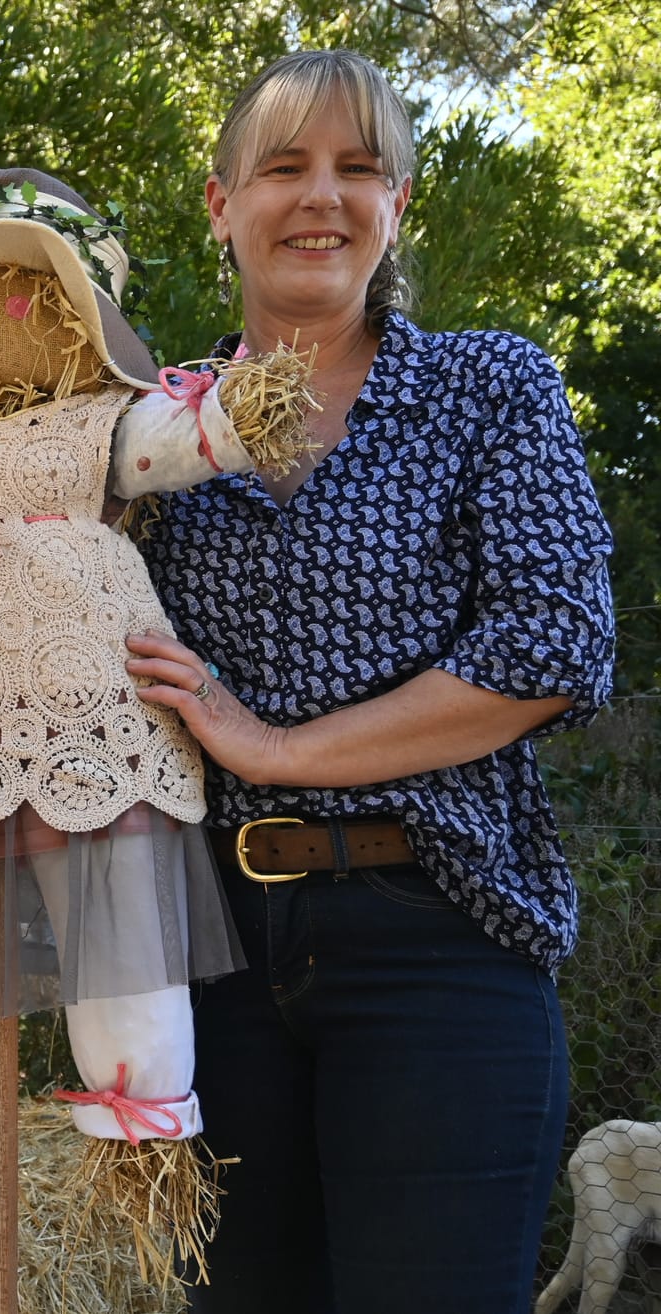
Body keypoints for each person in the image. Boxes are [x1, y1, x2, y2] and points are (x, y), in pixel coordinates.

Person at [120, 51, 612, 1313]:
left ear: (396, 203)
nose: (320, 196)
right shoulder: (144, 431)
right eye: (282, 166)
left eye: (357, 168)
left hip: (437, 936)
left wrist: (275, 747)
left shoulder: (485, 388)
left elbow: (554, 640)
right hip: (201, 963)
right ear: (221, 204)